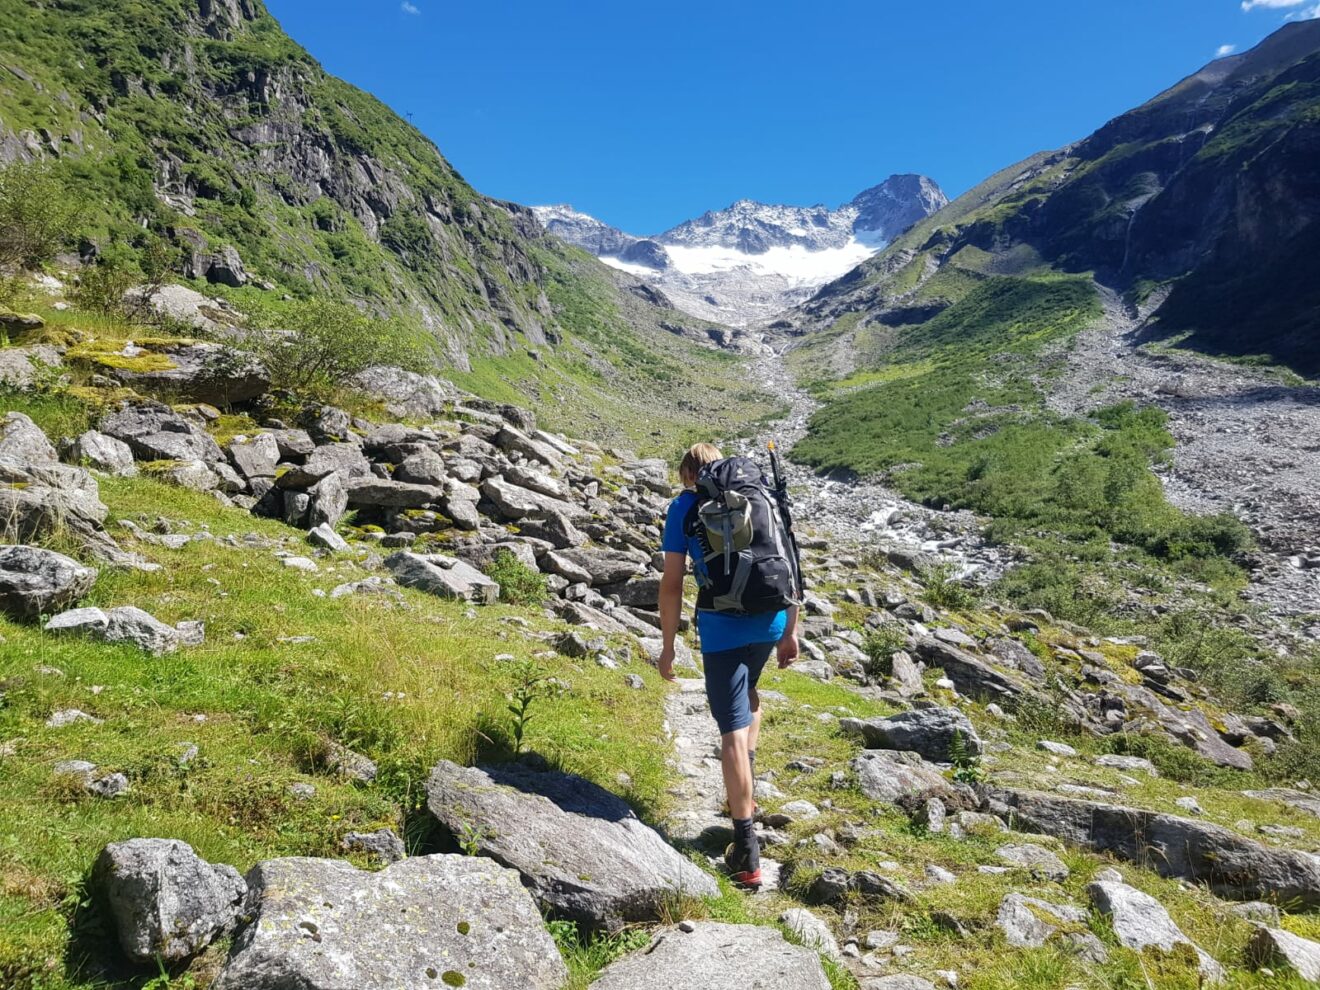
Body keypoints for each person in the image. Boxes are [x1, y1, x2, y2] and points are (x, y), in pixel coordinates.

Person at [657, 442, 800, 888]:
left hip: (721, 623)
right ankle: (746, 786)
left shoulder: (685, 507)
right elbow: (791, 560)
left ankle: (746, 851)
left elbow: (672, 584)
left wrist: (667, 645)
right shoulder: (762, 497)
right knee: (750, 691)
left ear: (688, 474)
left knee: (730, 728)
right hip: (772, 616)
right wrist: (791, 631)